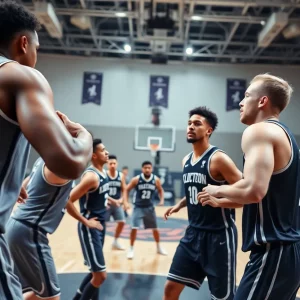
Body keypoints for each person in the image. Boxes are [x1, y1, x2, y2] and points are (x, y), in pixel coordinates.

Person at [0, 2, 92, 299]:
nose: (35, 58)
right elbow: (70, 163)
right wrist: (85, 137)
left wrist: (10, 184)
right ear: (23, 43)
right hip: (28, 232)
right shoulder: (20, 76)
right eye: (36, 49)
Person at [198, 74, 300, 300]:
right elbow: (261, 196)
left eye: (246, 96)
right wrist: (221, 201)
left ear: (262, 101)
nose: (240, 103)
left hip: (274, 251)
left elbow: (254, 190)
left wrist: (218, 189)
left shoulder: (259, 131)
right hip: (286, 251)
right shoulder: (285, 135)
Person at [163, 106, 242, 300]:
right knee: (170, 288)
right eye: (189, 123)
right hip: (193, 234)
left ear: (209, 131)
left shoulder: (219, 159)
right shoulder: (186, 160)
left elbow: (247, 193)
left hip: (219, 237)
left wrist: (218, 202)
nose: (190, 127)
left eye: (197, 124)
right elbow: (196, 190)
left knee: (222, 298)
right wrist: (181, 204)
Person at [6, 157, 100, 300]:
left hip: (19, 226)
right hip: (30, 231)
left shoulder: (42, 159)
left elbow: (28, 182)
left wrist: (20, 189)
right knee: (52, 296)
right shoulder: (62, 165)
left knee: (38, 292)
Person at [67, 139, 119, 300]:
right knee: (100, 276)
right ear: (94, 156)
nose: (107, 152)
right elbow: (67, 200)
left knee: (94, 273)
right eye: (103, 150)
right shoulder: (91, 177)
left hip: (100, 226)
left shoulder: (103, 173)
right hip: (90, 227)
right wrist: (85, 221)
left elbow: (98, 193)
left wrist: (111, 200)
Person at [126, 161, 167, 259]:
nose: (147, 169)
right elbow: (126, 190)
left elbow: (161, 190)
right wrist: (126, 202)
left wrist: (162, 200)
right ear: (142, 169)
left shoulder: (156, 179)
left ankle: (158, 247)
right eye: (145, 168)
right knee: (134, 228)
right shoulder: (136, 179)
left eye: (149, 168)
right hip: (138, 207)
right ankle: (131, 249)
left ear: (152, 169)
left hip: (149, 207)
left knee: (155, 229)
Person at [106, 155, 129, 250]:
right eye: (110, 163)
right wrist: (113, 200)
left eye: (114, 163)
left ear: (117, 164)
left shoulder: (120, 175)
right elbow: (101, 192)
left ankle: (115, 241)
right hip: (106, 203)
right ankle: (99, 242)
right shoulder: (104, 174)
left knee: (122, 222)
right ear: (107, 164)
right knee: (102, 224)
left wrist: (123, 200)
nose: (112, 165)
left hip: (117, 203)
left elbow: (124, 189)